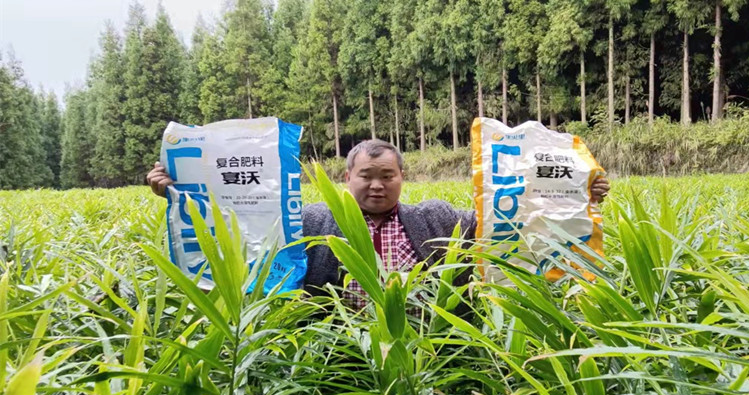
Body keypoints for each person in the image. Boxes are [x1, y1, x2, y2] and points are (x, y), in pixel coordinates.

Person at [146, 139, 610, 301]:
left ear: (401, 177)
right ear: (345, 177)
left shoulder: (438, 218)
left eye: (387, 176)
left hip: (427, 354)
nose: (376, 186)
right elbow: (242, 227)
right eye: (365, 176)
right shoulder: (310, 221)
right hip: (340, 360)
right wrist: (182, 192)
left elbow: (505, 223)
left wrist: (576, 198)